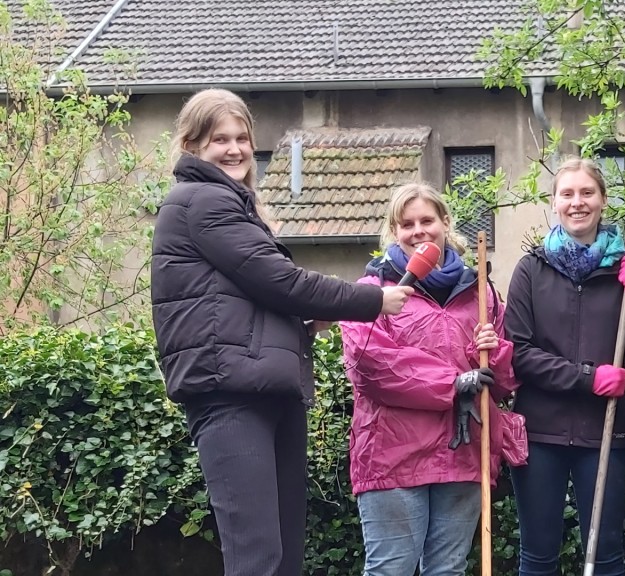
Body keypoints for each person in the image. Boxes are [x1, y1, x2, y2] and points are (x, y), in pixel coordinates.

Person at [150, 88, 412, 576]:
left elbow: (251, 299)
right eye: (218, 140)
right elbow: (280, 281)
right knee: (258, 561)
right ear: (191, 147)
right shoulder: (202, 201)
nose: (234, 149)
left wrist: (305, 321)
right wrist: (372, 300)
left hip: (265, 390)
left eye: (242, 138)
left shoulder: (234, 206)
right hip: (229, 394)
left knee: (283, 560)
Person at [340, 182, 521, 576]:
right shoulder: (371, 293)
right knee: (392, 570)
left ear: (445, 224)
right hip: (392, 456)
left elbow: (503, 383)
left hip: (462, 455)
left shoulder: (481, 294)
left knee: (448, 571)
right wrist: (454, 383)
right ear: (394, 231)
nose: (419, 230)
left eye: (427, 220)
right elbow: (369, 362)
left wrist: (493, 352)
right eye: (407, 224)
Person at [504, 157, 625, 576]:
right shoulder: (531, 269)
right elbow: (519, 353)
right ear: (554, 203)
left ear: (603, 200)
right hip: (540, 433)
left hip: (606, 434)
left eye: (587, 193)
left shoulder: (624, 271)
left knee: (607, 553)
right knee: (538, 555)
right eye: (568, 194)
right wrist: (588, 378)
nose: (578, 202)